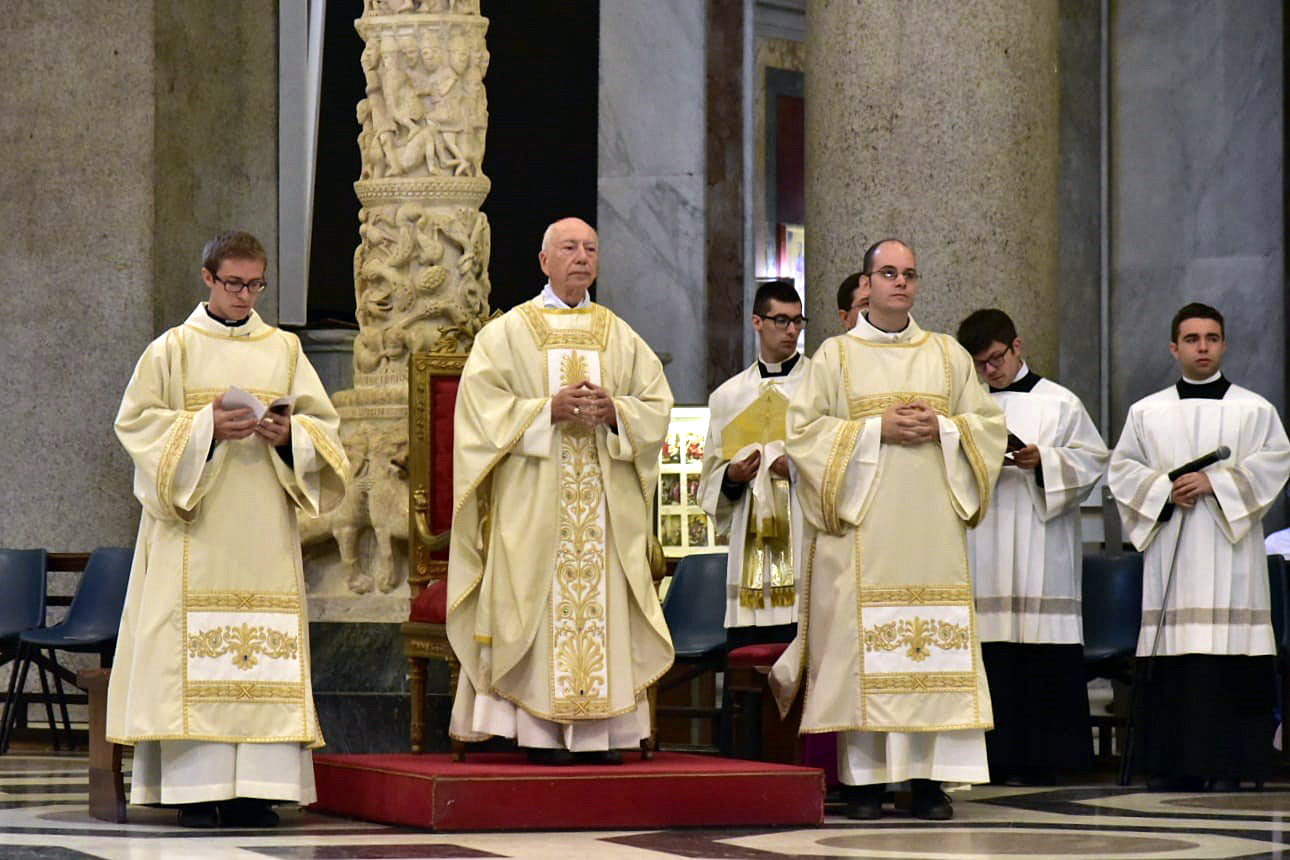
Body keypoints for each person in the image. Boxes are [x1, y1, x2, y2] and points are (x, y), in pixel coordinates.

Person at [109, 231, 349, 828]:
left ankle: (260, 789)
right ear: (208, 278)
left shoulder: (285, 351)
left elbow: (327, 430)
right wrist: (205, 429)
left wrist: (289, 437)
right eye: (235, 283)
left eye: (256, 284)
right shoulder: (172, 350)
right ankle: (198, 788)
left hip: (265, 526)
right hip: (198, 528)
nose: (246, 295)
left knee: (265, 652)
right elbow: (136, 427)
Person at [770, 239, 1006, 820]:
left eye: (909, 274)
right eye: (888, 273)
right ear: (867, 285)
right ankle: (868, 784)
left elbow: (988, 427)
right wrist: (874, 429)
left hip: (931, 535)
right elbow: (802, 434)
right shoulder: (835, 357)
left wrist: (946, 430)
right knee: (865, 656)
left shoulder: (948, 356)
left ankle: (930, 783)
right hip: (863, 535)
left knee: (933, 655)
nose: (900, 282)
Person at [446, 217, 675, 764]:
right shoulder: (506, 334)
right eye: (569, 247)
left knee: (603, 604)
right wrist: (546, 410)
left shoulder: (618, 333)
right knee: (536, 601)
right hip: (533, 504)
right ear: (544, 260)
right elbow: (477, 412)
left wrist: (614, 412)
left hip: (603, 510)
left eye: (591, 248)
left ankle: (604, 732)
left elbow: (656, 405)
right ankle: (539, 732)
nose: (581, 256)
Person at [1109, 302, 1289, 791]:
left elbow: (1275, 464)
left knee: (1228, 654)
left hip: (1232, 553)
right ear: (1174, 348)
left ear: (1224, 344)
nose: (1202, 347)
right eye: (1192, 339)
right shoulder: (1147, 412)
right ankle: (1171, 766)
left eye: (1211, 338)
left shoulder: (1255, 410)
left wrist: (1216, 485)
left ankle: (1231, 766)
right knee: (1177, 655)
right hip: (1174, 550)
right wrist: (1164, 489)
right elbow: (1122, 470)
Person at [956, 308, 1109, 785]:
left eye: (995, 359)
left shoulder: (1060, 403)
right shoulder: (966, 409)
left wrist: (1046, 461)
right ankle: (992, 760)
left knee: (1043, 651)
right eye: (978, 364)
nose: (989, 371)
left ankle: (1051, 759)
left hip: (1043, 545)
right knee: (992, 649)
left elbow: (1092, 461)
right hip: (985, 540)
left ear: (1017, 346)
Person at [697, 279, 809, 647]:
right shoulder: (728, 397)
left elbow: (840, 461)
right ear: (757, 322)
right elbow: (709, 481)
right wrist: (731, 476)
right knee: (748, 670)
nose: (791, 330)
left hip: (803, 537)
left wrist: (795, 468)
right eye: (781, 321)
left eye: (797, 321)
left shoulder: (819, 388)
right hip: (749, 550)